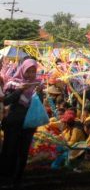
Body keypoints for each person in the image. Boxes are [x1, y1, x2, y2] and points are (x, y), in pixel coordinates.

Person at [0, 58, 42, 188]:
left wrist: (40, 93)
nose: (30, 74)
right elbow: (6, 101)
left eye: (33, 71)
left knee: (23, 153)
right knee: (10, 151)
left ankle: (18, 179)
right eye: (28, 71)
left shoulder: (37, 85)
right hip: (13, 124)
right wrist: (20, 90)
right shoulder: (13, 84)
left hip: (28, 124)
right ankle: (6, 178)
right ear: (22, 70)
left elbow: (38, 105)